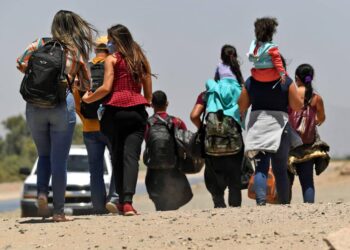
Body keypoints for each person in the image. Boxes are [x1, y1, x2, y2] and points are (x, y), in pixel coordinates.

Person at [16, 10, 96, 222]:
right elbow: (88, 84)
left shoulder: (39, 44)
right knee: (58, 160)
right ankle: (59, 212)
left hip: (34, 106)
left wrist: (40, 78)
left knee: (43, 155)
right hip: (62, 105)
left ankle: (42, 193)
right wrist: (72, 81)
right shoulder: (75, 52)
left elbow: (20, 63)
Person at [82, 24, 152, 216]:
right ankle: (128, 202)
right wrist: (141, 99)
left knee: (118, 157)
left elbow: (105, 88)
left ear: (118, 41)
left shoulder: (111, 60)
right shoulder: (140, 59)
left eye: (111, 41)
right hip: (137, 113)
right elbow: (148, 92)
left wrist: (89, 98)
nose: (110, 44)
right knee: (132, 158)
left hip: (115, 114)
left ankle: (121, 200)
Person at [238, 55, 303, 205]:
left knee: (261, 168)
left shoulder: (251, 81)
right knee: (280, 170)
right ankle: (284, 203)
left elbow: (241, 106)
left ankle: (261, 203)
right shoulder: (286, 81)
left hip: (258, 127)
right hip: (280, 128)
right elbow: (297, 106)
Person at [190, 45, 244, 208]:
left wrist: (203, 128)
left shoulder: (208, 93)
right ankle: (235, 208)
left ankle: (218, 204)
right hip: (234, 143)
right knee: (235, 179)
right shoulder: (241, 90)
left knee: (213, 174)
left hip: (212, 143)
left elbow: (193, 116)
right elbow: (243, 112)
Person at [72, 36, 118, 214]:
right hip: (110, 126)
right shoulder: (113, 66)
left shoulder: (85, 69)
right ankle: (114, 199)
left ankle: (98, 207)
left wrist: (86, 120)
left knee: (95, 169)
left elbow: (76, 101)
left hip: (89, 128)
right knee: (117, 163)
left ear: (96, 49)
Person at [144, 90, 193, 211]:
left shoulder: (147, 124)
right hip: (174, 167)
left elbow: (146, 141)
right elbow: (186, 141)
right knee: (178, 199)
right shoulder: (177, 122)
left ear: (152, 105)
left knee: (159, 203)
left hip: (153, 169)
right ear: (167, 103)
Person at [287, 64, 327, 203]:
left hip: (289, 144)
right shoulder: (316, 99)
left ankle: (283, 208)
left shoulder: (290, 95)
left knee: (286, 181)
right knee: (307, 181)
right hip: (307, 145)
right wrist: (313, 121)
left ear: (297, 78)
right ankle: (309, 211)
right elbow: (321, 118)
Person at [247, 17, 287, 84]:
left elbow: (251, 59)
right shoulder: (272, 47)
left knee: (252, 71)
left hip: (257, 75)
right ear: (271, 33)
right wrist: (282, 74)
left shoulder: (254, 46)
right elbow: (278, 62)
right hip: (272, 76)